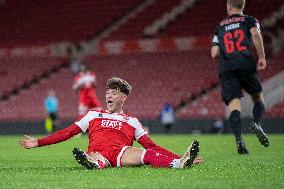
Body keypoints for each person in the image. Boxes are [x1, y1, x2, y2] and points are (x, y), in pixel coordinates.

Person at [19, 77, 204, 169]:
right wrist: (38, 142)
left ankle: (179, 163)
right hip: (98, 151)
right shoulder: (93, 115)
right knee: (96, 159)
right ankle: (91, 162)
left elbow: (151, 145)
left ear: (123, 98)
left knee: (147, 154)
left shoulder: (132, 121)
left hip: (121, 153)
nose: (108, 95)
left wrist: (178, 156)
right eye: (107, 92)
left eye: (113, 93)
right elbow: (68, 132)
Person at [211, 0, 269, 154]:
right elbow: (255, 34)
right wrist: (262, 57)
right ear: (242, 6)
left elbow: (214, 53)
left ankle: (238, 140)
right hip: (245, 64)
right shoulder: (249, 20)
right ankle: (257, 124)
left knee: (234, 106)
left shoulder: (220, 26)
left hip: (227, 69)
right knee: (258, 98)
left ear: (229, 6)